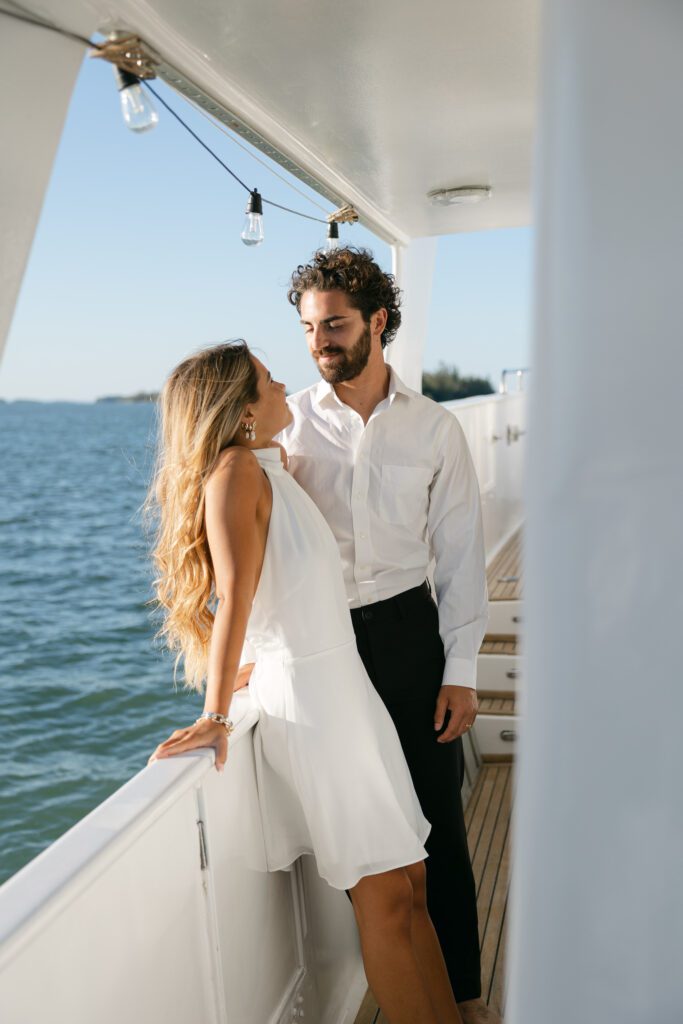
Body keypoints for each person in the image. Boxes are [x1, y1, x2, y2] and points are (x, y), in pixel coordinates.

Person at [146, 340, 466, 1024]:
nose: (282, 383)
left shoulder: (268, 465)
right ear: (237, 411)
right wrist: (217, 714)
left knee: (412, 881)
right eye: (266, 380)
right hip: (314, 709)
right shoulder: (234, 473)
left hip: (346, 695)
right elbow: (233, 597)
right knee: (383, 898)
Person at [279, 249, 496, 1024]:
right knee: (373, 839)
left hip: (409, 634)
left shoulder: (435, 428)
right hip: (327, 645)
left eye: (333, 324)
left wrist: (461, 667)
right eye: (308, 328)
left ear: (377, 321)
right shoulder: (286, 426)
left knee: (436, 823)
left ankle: (466, 997)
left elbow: (462, 553)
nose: (319, 342)